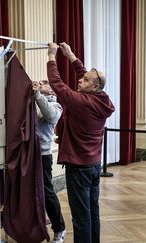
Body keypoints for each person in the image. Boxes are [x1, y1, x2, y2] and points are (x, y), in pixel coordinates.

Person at [46, 42, 115, 243]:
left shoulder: (81, 101)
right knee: (92, 211)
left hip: (79, 168)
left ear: (94, 86)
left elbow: (57, 85)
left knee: (80, 217)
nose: (80, 80)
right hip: (93, 166)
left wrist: (51, 57)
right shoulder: (101, 98)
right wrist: (72, 57)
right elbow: (88, 77)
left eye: (84, 80)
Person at [32, 79, 66, 243]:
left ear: (52, 92)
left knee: (47, 192)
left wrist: (37, 94)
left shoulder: (56, 106)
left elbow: (51, 117)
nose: (41, 82)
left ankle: (59, 228)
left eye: (46, 83)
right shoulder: (34, 101)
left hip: (43, 155)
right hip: (27, 154)